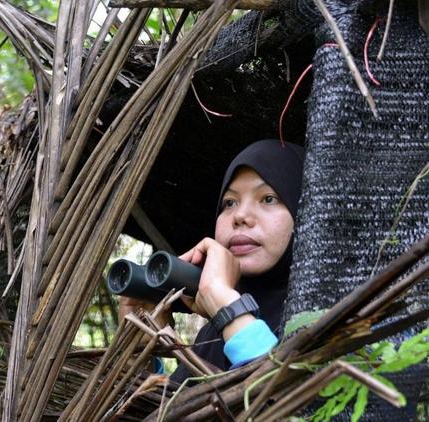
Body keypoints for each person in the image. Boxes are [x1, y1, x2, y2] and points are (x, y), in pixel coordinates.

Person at [119, 139, 305, 383]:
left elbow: (297, 405)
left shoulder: (332, 315)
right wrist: (136, 353)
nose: (240, 216)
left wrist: (228, 310)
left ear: (307, 211)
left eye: (268, 198)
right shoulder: (212, 337)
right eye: (229, 203)